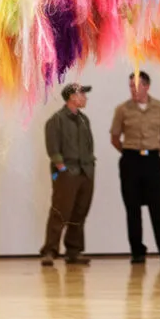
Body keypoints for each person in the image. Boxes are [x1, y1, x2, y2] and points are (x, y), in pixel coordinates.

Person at [110, 71, 160, 265]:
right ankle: (137, 252)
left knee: (158, 208)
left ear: (147, 86)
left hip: (152, 161)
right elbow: (115, 138)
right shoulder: (122, 110)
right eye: (130, 86)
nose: (133, 90)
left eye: (136, 86)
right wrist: (130, 154)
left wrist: (154, 152)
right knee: (132, 209)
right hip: (130, 160)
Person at [41, 82, 95, 266]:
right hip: (66, 173)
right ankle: (50, 251)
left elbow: (89, 146)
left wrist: (89, 168)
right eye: (82, 94)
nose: (85, 98)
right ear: (72, 97)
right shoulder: (56, 120)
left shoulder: (84, 120)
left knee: (79, 213)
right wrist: (62, 169)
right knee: (60, 212)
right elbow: (53, 148)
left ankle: (74, 251)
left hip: (85, 172)